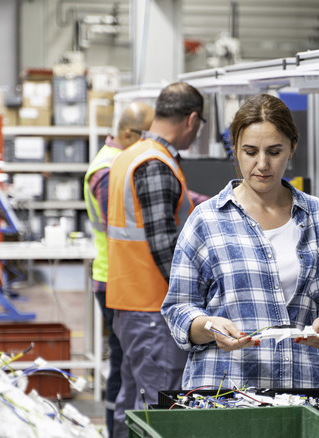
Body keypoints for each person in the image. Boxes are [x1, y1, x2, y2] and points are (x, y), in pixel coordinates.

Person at [161, 93, 319, 390]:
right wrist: (210, 327)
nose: (262, 164)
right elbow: (179, 308)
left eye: (274, 151)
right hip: (225, 389)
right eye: (250, 151)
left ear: (292, 148)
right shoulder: (207, 221)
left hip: (305, 390)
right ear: (235, 150)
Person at [106, 82, 204, 438]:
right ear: (192, 120)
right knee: (159, 412)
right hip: (153, 309)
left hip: (129, 304)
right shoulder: (155, 163)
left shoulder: (130, 154)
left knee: (132, 405)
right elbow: (165, 245)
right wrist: (197, 296)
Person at [82, 101, 154, 438]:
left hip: (116, 278)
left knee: (123, 365)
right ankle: (115, 431)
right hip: (116, 280)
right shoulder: (109, 170)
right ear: (129, 134)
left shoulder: (116, 161)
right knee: (123, 369)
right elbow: (122, 225)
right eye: (146, 135)